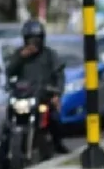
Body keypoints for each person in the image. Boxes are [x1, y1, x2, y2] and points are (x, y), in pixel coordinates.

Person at [5, 19, 68, 154]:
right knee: (8, 119)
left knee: (54, 118)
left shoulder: (50, 55)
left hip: (44, 95)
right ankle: (5, 153)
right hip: (24, 95)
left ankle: (57, 143)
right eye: (30, 39)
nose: (33, 43)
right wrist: (20, 58)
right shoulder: (19, 54)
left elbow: (59, 75)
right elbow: (9, 72)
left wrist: (57, 94)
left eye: (36, 39)